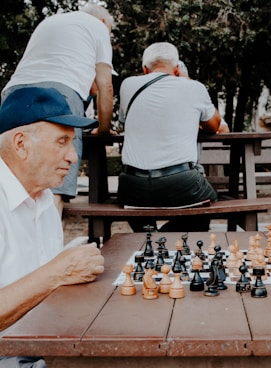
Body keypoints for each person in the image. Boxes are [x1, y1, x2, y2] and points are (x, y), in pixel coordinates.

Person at [0, 87, 105, 367]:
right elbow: (52, 277)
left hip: (46, 346)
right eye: (62, 141)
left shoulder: (44, 197)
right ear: (21, 143)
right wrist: (58, 272)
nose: (73, 156)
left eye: (72, 142)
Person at [1, 4, 115, 216]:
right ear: (103, 22)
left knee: (10, 183)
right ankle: (51, 248)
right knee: (54, 185)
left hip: (14, 92)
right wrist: (104, 129)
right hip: (60, 93)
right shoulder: (97, 27)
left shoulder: (51, 21)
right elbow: (104, 85)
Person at [118, 42, 221, 232]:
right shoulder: (193, 87)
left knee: (131, 199)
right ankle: (161, 239)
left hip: (132, 185)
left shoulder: (127, 85)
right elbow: (214, 125)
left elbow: (125, 121)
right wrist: (187, 80)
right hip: (180, 182)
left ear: (144, 69)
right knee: (209, 201)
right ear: (176, 69)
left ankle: (147, 235)